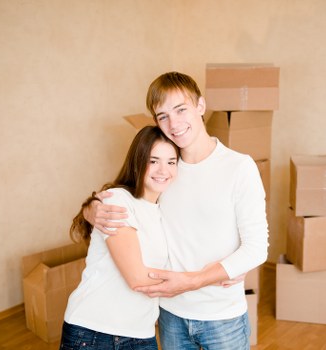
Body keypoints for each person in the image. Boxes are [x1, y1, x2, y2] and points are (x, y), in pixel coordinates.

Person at [84, 72, 269, 349]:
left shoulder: (239, 167)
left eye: (181, 109)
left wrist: (194, 281)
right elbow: (124, 196)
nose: (174, 123)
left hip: (222, 318)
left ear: (201, 106)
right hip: (170, 314)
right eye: (163, 116)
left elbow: (257, 248)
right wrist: (90, 208)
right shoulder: (164, 170)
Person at [60, 126, 179, 350]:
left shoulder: (163, 211)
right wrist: (200, 281)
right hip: (93, 331)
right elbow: (138, 279)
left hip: (141, 331)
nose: (164, 170)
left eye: (171, 162)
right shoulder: (118, 200)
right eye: (154, 161)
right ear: (138, 161)